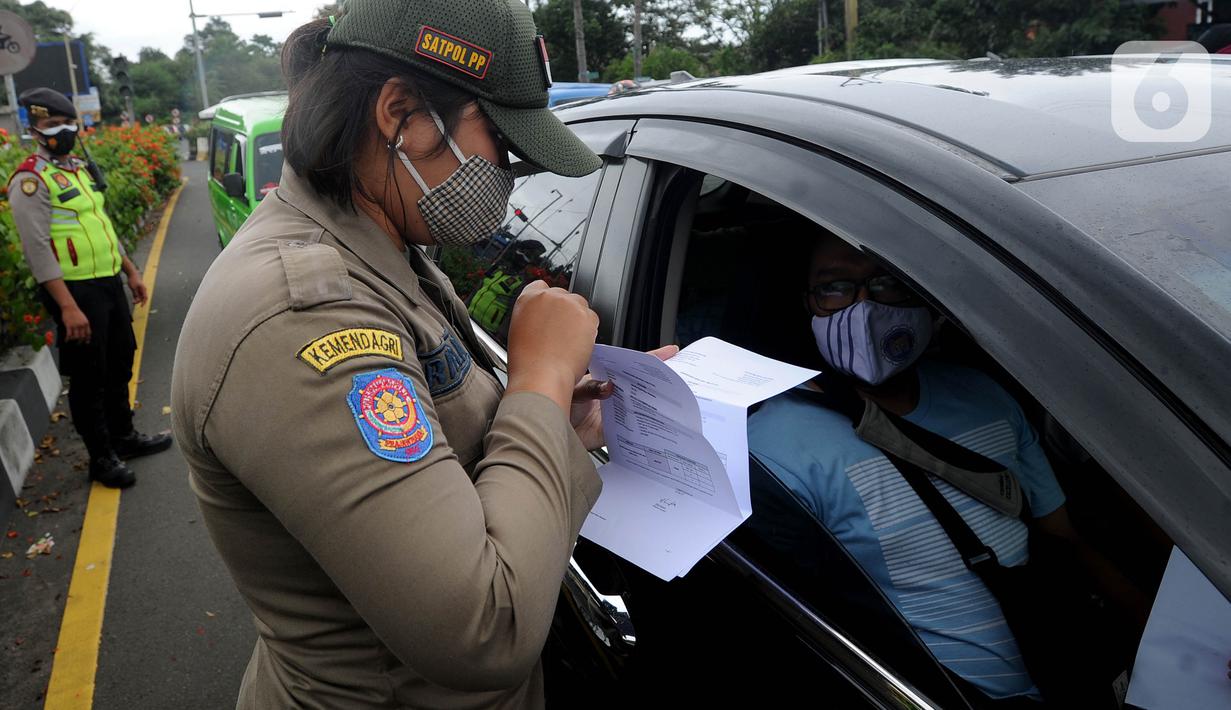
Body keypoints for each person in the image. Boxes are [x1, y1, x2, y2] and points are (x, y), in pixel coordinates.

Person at [171, 3, 673, 707]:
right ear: (400, 113)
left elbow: (447, 443)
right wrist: (540, 378)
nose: (509, 174)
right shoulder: (301, 317)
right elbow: (484, 628)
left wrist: (557, 416)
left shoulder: (381, 248)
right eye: (500, 141)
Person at [748, 228, 1148, 707]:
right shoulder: (772, 446)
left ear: (923, 294)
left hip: (1071, 670)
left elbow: (1063, 539)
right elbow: (800, 618)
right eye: (834, 288)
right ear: (807, 303)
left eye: (888, 284)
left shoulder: (984, 395)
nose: (865, 308)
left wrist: (1160, 643)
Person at [8, 87, 172, 488]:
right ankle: (102, 458)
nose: (62, 130)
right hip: (74, 292)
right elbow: (37, 248)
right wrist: (66, 307)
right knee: (88, 376)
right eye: (51, 124)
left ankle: (124, 436)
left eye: (67, 123)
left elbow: (102, 227)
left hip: (107, 282)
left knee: (119, 360)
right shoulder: (31, 180)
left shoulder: (77, 169)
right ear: (34, 128)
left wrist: (130, 271)